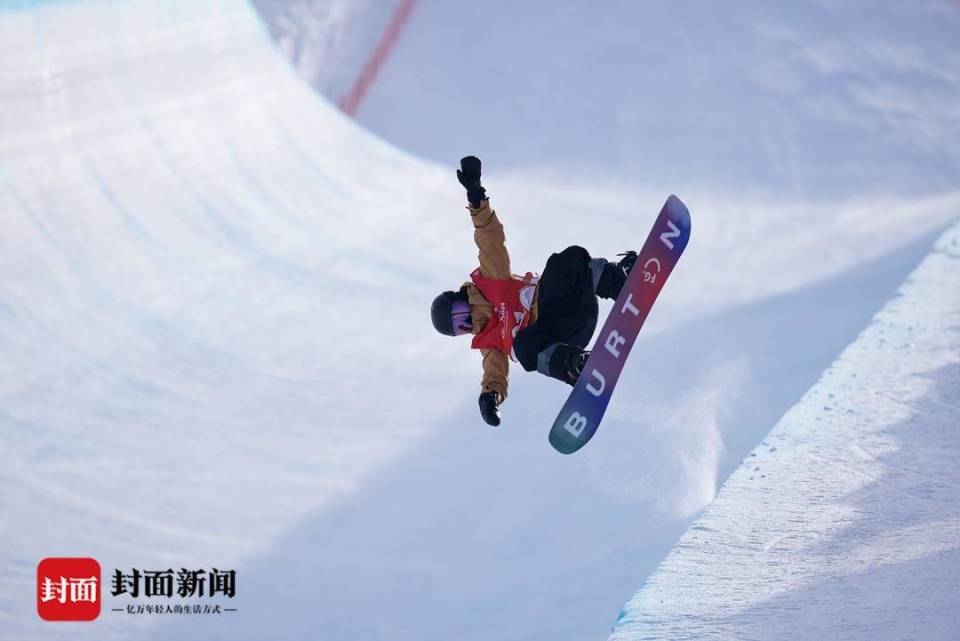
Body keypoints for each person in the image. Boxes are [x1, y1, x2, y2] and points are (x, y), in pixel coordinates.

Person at [430, 156, 637, 427]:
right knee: (523, 346)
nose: (467, 323)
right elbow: (494, 376)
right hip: (566, 336)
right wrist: (489, 397)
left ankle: (617, 280)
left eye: (460, 314)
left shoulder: (492, 280)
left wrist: (476, 195)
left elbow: (489, 238)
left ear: (461, 297)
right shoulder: (489, 341)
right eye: (460, 327)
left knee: (565, 260)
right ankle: (574, 365)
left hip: (566, 303)